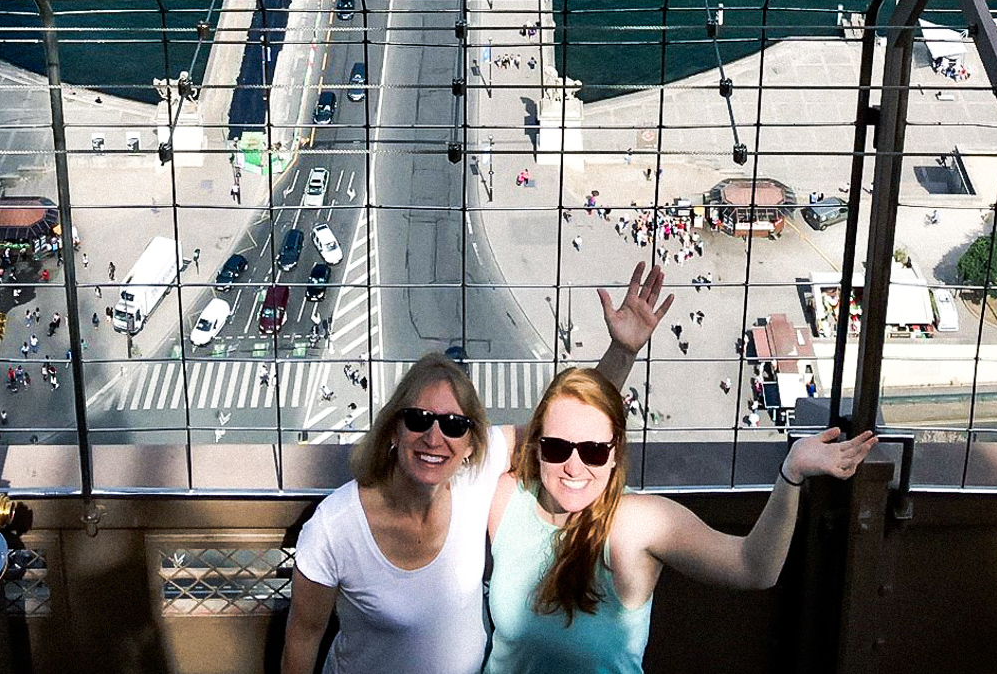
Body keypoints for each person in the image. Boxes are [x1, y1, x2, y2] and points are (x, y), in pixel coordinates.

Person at [283, 262, 673, 674]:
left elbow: (566, 427)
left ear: (471, 443)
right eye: (418, 419)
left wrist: (623, 352)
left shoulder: (474, 476)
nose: (435, 438)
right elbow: (302, 641)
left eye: (454, 424)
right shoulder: (335, 526)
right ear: (393, 429)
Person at [484, 368, 876, 674]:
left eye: (593, 452)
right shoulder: (506, 499)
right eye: (556, 448)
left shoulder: (634, 524)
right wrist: (622, 350)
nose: (574, 466)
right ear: (535, 448)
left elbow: (753, 567)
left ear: (616, 454)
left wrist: (791, 475)